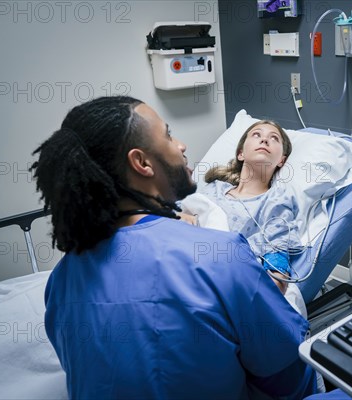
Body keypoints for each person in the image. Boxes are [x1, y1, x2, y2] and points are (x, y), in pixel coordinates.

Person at [31, 96, 318, 399]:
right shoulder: (221, 256)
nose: (181, 145)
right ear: (141, 163)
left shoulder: (61, 281)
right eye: (168, 135)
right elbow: (289, 377)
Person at [193, 120, 304, 294]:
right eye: (256, 134)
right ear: (241, 154)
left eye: (274, 138)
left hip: (216, 282)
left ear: (282, 161)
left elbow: (277, 274)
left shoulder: (275, 202)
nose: (264, 140)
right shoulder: (214, 188)